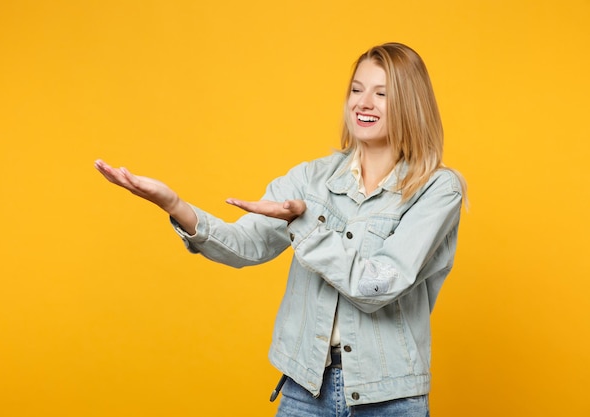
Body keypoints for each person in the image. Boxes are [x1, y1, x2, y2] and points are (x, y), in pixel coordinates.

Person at [94, 42, 466, 417]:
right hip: (306, 389)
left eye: (381, 93)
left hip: (390, 397)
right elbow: (244, 245)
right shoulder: (310, 178)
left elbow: (377, 285)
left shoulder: (436, 189)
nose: (363, 102)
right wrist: (174, 204)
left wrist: (302, 223)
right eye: (356, 89)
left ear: (410, 103)